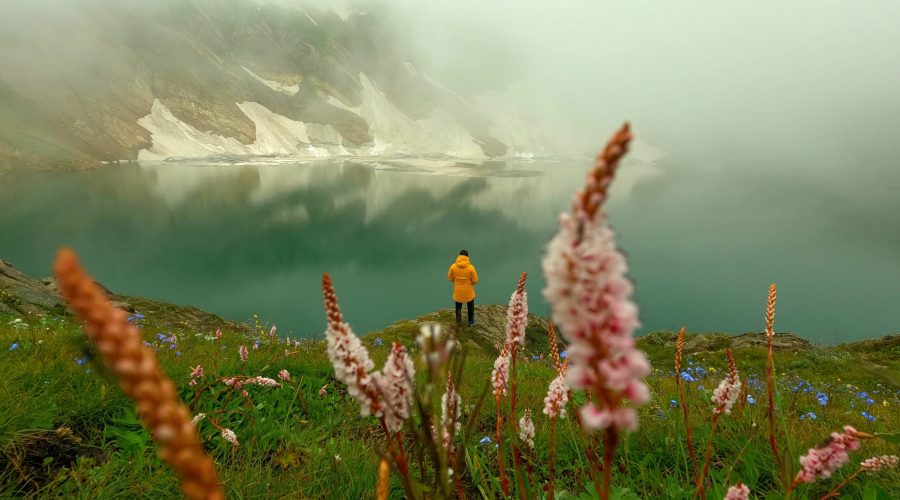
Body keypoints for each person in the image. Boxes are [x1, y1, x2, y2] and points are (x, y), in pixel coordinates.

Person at [447, 249, 478, 326]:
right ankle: (471, 322)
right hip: (468, 291)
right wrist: (470, 284)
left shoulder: (453, 266)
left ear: (459, 256)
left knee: (458, 307)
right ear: (467, 257)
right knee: (470, 307)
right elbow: (475, 280)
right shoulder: (471, 267)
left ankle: (458, 322)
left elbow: (449, 277)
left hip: (458, 291)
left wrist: (456, 282)